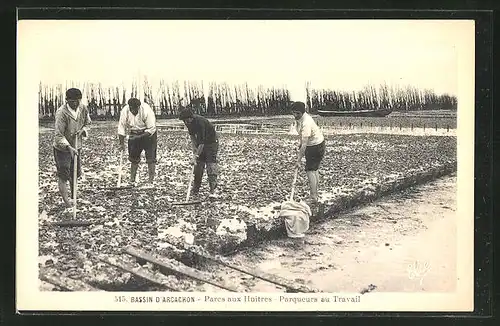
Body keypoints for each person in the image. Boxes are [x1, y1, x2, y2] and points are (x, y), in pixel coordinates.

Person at [53, 88, 92, 209]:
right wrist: (68, 147)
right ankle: (67, 202)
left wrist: (83, 130)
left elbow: (88, 122)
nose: (75, 104)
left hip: (77, 145)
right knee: (64, 174)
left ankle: (74, 197)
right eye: (72, 101)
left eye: (77, 101)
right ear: (67, 100)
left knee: (74, 173)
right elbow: (58, 135)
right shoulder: (61, 113)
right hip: (62, 148)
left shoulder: (83, 108)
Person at [178, 108, 219, 199]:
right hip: (201, 143)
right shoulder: (189, 124)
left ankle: (213, 190)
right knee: (198, 167)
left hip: (211, 143)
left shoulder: (200, 123)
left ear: (190, 118)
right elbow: (193, 137)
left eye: (186, 120)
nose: (185, 122)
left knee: (210, 165)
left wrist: (196, 155)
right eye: (183, 121)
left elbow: (202, 143)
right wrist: (194, 151)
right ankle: (196, 189)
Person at [290, 101, 326, 204]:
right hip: (317, 143)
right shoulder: (300, 119)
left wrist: (298, 161)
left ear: (303, 112)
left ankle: (313, 196)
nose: (295, 115)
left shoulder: (306, 123)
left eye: (298, 113)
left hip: (315, 146)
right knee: (314, 169)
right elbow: (302, 138)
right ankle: (315, 194)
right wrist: (300, 142)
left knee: (310, 170)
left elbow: (305, 144)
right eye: (294, 112)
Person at [117, 98, 157, 187]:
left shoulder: (146, 110)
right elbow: (121, 127)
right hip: (134, 133)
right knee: (133, 158)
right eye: (131, 109)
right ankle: (132, 181)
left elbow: (151, 129)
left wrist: (138, 138)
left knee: (151, 158)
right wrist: (121, 144)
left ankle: (150, 182)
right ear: (129, 107)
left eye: (135, 109)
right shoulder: (125, 111)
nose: (133, 111)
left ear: (138, 107)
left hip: (148, 134)